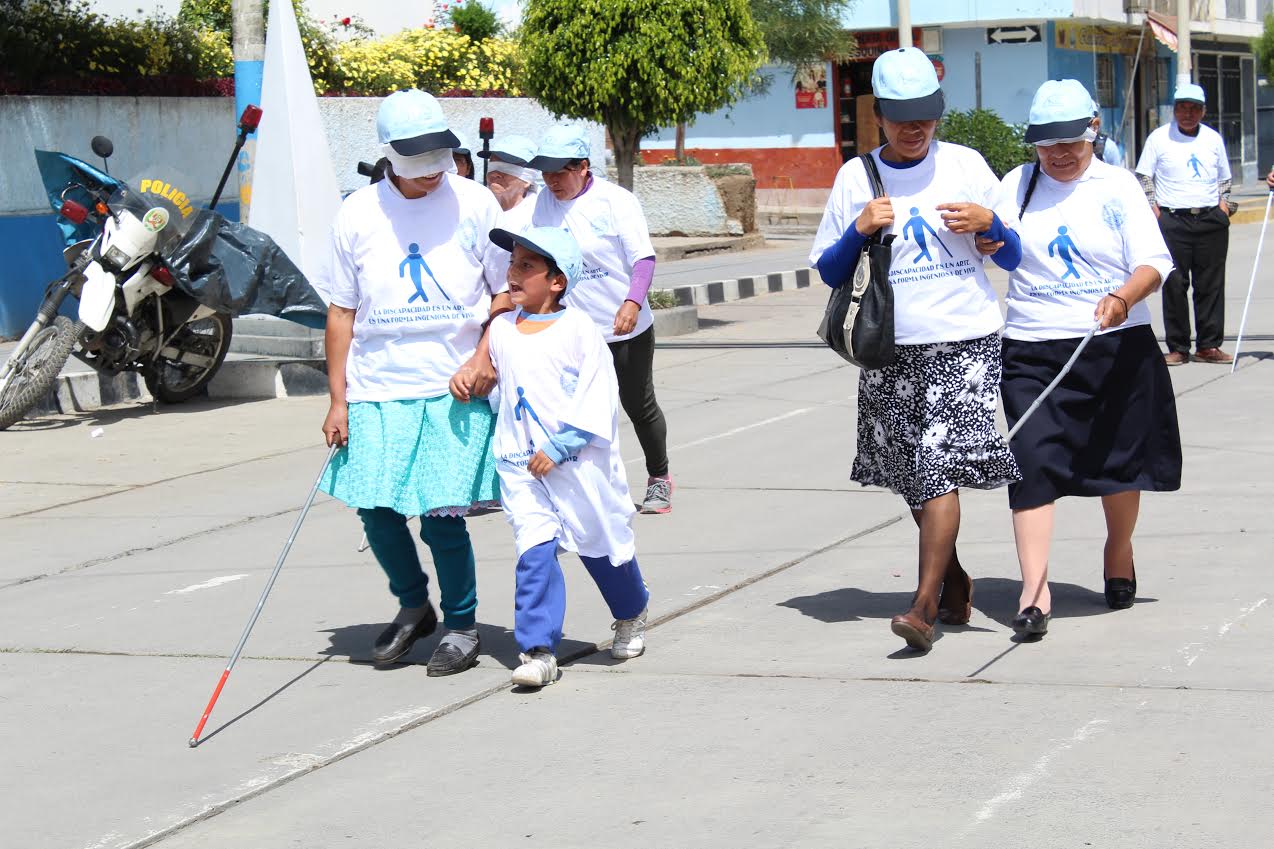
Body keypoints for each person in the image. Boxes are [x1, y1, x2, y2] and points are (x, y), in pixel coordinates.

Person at [809, 46, 1024, 652]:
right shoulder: (858, 178)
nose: (915, 128)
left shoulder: (966, 166)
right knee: (912, 474)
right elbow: (828, 272)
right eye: (903, 115)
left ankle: (924, 606)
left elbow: (1010, 256)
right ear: (880, 115)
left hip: (964, 339)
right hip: (889, 346)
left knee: (935, 470)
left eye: (926, 114)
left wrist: (991, 225)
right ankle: (953, 578)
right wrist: (859, 230)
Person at [320, 90, 511, 676]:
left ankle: (461, 624)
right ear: (388, 155)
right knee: (375, 510)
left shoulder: (477, 204)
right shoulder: (356, 213)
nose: (432, 171)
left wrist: (483, 359)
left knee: (440, 515)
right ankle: (413, 606)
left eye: (439, 156)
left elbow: (507, 294)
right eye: (417, 159)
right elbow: (341, 312)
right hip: (377, 385)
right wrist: (337, 399)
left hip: (449, 385)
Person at [996, 79, 1182, 638]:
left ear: (1093, 132)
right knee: (1028, 462)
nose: (1057, 154)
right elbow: (997, 244)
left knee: (1119, 464)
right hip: (1032, 350)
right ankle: (1034, 594)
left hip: (1113, 346)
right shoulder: (1017, 184)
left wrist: (1123, 298)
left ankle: (1118, 550)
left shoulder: (1117, 187)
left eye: (1069, 143)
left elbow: (1154, 261)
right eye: (1045, 143)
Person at [485, 225, 650, 688]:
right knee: (534, 550)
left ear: (557, 281)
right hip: (521, 466)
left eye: (526, 266)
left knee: (601, 545)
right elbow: (496, 386)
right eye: (511, 264)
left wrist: (560, 447)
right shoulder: (502, 328)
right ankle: (538, 649)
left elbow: (600, 394)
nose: (512, 273)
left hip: (577, 464)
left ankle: (631, 611)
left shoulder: (578, 328)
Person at [527, 125, 673, 514]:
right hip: (571, 330)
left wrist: (632, 302)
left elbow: (642, 258)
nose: (552, 181)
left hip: (623, 327)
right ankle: (585, 486)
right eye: (546, 173)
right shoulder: (544, 203)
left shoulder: (616, 201)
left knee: (637, 405)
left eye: (560, 172)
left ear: (584, 167)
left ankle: (659, 478)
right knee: (576, 411)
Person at [1135, 83, 1234, 365]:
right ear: (1174, 109)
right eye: (1182, 107)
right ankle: (1178, 348)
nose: (1187, 113)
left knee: (1211, 285)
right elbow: (1144, 176)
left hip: (1210, 219)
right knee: (1174, 283)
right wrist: (1154, 211)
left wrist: (1224, 206)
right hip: (1173, 220)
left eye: (1193, 108)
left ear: (1203, 111)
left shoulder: (1213, 139)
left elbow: (1224, 178)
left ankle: (1209, 346)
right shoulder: (1159, 138)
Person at [479, 133, 539, 232]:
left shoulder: (538, 216)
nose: (495, 173)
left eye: (506, 168)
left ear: (528, 179)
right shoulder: (478, 206)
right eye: (492, 165)